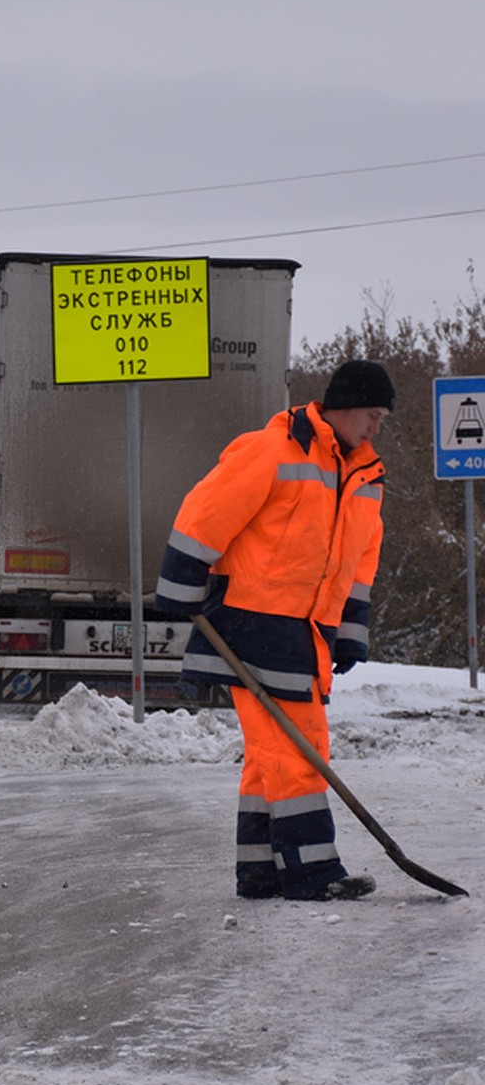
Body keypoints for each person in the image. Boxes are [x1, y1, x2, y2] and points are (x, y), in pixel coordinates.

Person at [155, 360, 394, 902]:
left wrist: (351, 630)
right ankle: (313, 872)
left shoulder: (365, 475)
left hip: (308, 630)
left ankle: (261, 871)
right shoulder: (275, 448)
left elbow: (362, 562)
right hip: (252, 620)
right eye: (372, 416)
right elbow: (206, 511)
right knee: (299, 743)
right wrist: (181, 584)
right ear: (344, 405)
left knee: (271, 752)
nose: (376, 428)